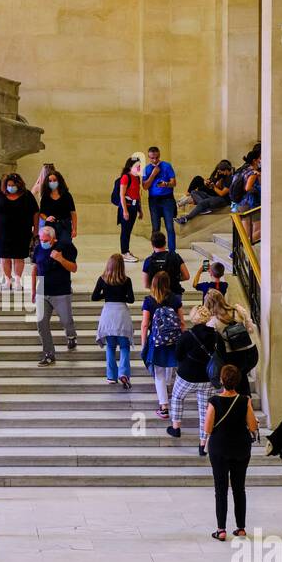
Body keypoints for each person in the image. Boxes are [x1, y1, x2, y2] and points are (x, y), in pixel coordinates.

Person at [204, 363, 259, 540]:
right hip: (241, 447)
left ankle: (221, 530)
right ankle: (241, 527)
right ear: (238, 381)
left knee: (220, 489)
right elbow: (252, 426)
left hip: (219, 447)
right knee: (239, 488)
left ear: (221, 380)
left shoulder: (214, 401)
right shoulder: (245, 401)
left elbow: (208, 428)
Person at [167, 304, 220, 454]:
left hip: (187, 377)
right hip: (208, 379)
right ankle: (203, 445)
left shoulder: (187, 336)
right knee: (205, 411)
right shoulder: (216, 336)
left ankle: (176, 428)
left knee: (177, 397)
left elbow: (178, 356)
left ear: (194, 317)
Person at [140, 270, 185, 418]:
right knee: (170, 366)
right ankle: (167, 388)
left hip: (157, 341)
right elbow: (182, 322)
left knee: (158, 373)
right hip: (174, 340)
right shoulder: (175, 299)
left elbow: (145, 324)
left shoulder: (149, 300)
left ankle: (164, 407)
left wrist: (143, 342)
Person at [31, 224, 78, 365]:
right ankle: (49, 353)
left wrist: (61, 259)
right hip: (42, 291)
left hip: (61, 291)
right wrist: (33, 290)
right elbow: (35, 269)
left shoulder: (64, 248)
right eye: (41, 239)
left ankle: (71, 336)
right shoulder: (38, 249)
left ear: (53, 239)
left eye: (46, 240)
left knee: (66, 321)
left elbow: (74, 268)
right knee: (41, 323)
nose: (42, 242)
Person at [202, 289, 258, 397]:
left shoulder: (212, 321)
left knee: (235, 382)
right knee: (241, 377)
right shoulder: (238, 310)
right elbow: (251, 329)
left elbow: (211, 342)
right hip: (252, 352)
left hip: (234, 356)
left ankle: (242, 404)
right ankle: (246, 402)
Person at [0, 173, 39, 288]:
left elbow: (36, 213)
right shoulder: (0, 195)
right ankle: (7, 280)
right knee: (4, 257)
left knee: (18, 257)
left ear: (19, 185)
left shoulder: (27, 195)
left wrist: (36, 229)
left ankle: (18, 281)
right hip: (2, 233)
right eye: (9, 185)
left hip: (21, 232)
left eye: (13, 185)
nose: (11, 187)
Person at [92, 253, 135, 390]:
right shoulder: (126, 280)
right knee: (124, 347)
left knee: (110, 347)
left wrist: (107, 294)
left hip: (108, 314)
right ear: (122, 266)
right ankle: (124, 373)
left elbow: (94, 297)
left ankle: (111, 376)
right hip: (122, 313)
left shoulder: (103, 279)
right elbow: (131, 299)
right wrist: (120, 295)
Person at [142, 146, 178, 250]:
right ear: (149, 157)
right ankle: (156, 250)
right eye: (152, 158)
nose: (155, 160)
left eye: (157, 157)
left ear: (159, 155)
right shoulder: (147, 169)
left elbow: (174, 182)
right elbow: (145, 187)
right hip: (154, 200)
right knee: (155, 227)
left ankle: (172, 251)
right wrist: (153, 174)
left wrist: (166, 184)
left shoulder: (167, 166)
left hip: (167, 199)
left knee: (170, 227)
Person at [176, 160, 233, 225]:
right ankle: (204, 208)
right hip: (216, 196)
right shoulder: (224, 177)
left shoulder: (231, 179)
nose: (220, 173)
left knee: (204, 202)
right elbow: (218, 186)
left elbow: (222, 193)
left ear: (225, 170)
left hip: (224, 200)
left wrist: (213, 186)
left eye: (220, 171)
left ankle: (185, 218)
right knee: (193, 192)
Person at [38, 168, 77, 245]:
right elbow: (41, 213)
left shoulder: (66, 195)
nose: (52, 182)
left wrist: (74, 229)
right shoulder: (45, 196)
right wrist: (47, 218)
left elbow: (73, 213)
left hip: (65, 225)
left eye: (54, 180)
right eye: (50, 181)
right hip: (50, 226)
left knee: (64, 246)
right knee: (51, 248)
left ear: (59, 181)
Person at [115, 156, 143, 262]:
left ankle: (126, 250)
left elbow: (137, 194)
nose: (140, 167)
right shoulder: (126, 177)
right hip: (126, 206)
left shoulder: (137, 178)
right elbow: (122, 195)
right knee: (125, 231)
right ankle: (124, 253)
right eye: (138, 165)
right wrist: (125, 210)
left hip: (134, 207)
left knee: (129, 230)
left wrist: (140, 210)